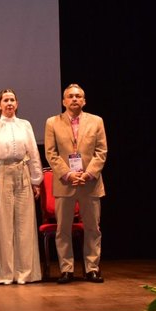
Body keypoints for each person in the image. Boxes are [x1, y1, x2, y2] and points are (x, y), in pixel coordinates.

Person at [44, 84, 107, 284]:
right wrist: (68, 174)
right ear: (64, 101)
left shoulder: (96, 121)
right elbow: (51, 153)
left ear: (84, 100)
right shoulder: (52, 122)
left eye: (78, 96)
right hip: (65, 183)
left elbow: (101, 152)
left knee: (92, 228)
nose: (74, 99)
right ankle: (67, 269)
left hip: (90, 183)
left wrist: (88, 174)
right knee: (63, 230)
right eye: (70, 96)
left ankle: (92, 269)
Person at [0, 88, 43, 285]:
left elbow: (32, 151)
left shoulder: (25, 125)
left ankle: (26, 273)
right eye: (5, 100)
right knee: (4, 225)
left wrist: (35, 180)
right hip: (2, 174)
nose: (9, 103)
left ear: (17, 103)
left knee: (25, 224)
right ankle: (4, 273)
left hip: (22, 172)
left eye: (12, 100)